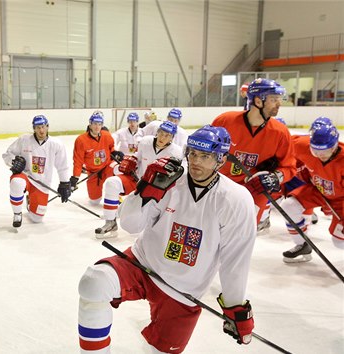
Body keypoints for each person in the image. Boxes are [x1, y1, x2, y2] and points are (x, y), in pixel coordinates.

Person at [78, 126, 256, 353]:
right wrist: (145, 188)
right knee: (94, 282)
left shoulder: (236, 199)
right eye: (192, 154)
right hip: (143, 263)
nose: (196, 162)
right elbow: (130, 225)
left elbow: (235, 259)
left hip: (183, 288)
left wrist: (235, 306)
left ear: (220, 160)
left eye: (205, 156)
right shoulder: (169, 180)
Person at [212, 78, 296, 232]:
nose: (279, 103)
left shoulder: (280, 132)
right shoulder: (225, 120)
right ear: (258, 101)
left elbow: (289, 167)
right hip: (220, 184)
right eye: (274, 99)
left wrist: (275, 177)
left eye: (279, 99)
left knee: (242, 232)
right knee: (212, 228)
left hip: (256, 189)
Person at [95, 121, 182, 238]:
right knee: (112, 183)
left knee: (139, 224)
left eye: (167, 135)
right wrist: (132, 160)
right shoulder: (146, 141)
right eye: (161, 133)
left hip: (156, 190)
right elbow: (138, 156)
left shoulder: (176, 152)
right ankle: (110, 222)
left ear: (172, 138)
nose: (162, 137)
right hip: (137, 180)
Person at [279, 120, 344, 263]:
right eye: (316, 151)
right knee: (288, 205)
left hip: (341, 199)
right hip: (318, 190)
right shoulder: (303, 146)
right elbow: (281, 142)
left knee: (339, 241)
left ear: (334, 146)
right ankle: (302, 244)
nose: (321, 155)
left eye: (325, 151)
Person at [2, 115, 71, 227]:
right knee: (17, 183)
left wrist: (65, 183)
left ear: (48, 127)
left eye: (43, 127)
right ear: (34, 128)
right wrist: (14, 162)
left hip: (41, 183)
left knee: (37, 219)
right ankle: (17, 214)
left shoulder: (56, 144)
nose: (41, 130)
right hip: (25, 176)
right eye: (38, 127)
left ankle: (30, 202)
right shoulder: (24, 140)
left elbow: (62, 166)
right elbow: (7, 154)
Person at [71, 111, 118, 205]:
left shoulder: (107, 135)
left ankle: (117, 197)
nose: (97, 127)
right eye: (95, 124)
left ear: (102, 125)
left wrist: (115, 153)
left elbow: (111, 148)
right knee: (94, 201)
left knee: (117, 170)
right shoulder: (81, 140)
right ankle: (96, 195)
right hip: (93, 172)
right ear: (90, 124)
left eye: (99, 124)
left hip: (107, 167)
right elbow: (78, 161)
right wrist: (75, 177)